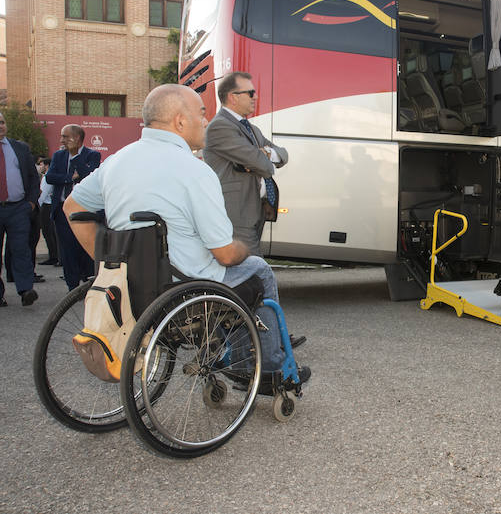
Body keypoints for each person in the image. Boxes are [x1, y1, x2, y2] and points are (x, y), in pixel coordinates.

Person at [63, 84, 309, 381]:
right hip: (184, 287)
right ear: (180, 121)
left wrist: (107, 261)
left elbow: (72, 206)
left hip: (130, 285)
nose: (206, 121)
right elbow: (225, 254)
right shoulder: (195, 170)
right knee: (258, 270)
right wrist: (244, 247)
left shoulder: (117, 161)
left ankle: (233, 354)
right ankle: (268, 370)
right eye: (202, 114)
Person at [203, 72, 288, 256]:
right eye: (250, 93)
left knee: (246, 272)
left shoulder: (251, 129)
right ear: (233, 97)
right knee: (252, 272)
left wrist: (266, 154)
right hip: (237, 214)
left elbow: (284, 154)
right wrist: (262, 157)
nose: (255, 97)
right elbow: (262, 164)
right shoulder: (220, 126)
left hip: (255, 210)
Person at [46, 124, 101, 290]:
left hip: (85, 211)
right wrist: (70, 177)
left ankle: (89, 282)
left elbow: (87, 175)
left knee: (85, 246)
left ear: (76, 138)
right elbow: (50, 177)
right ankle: (72, 286)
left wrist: (75, 156)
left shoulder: (92, 155)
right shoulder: (58, 156)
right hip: (62, 210)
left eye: (65, 136)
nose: (61, 139)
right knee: (67, 249)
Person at [0, 112, 40, 307]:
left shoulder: (19, 148)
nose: (0, 126)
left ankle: (26, 290)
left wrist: (30, 203)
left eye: (2, 122)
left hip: (18, 209)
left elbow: (33, 178)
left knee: (21, 249)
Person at [37, 157, 59, 266]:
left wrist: (36, 207)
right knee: (51, 232)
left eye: (41, 164)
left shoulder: (47, 178)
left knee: (48, 232)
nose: (40, 167)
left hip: (46, 207)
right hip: (50, 205)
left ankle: (53, 255)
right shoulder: (51, 176)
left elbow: (42, 194)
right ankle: (54, 254)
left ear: (46, 166)